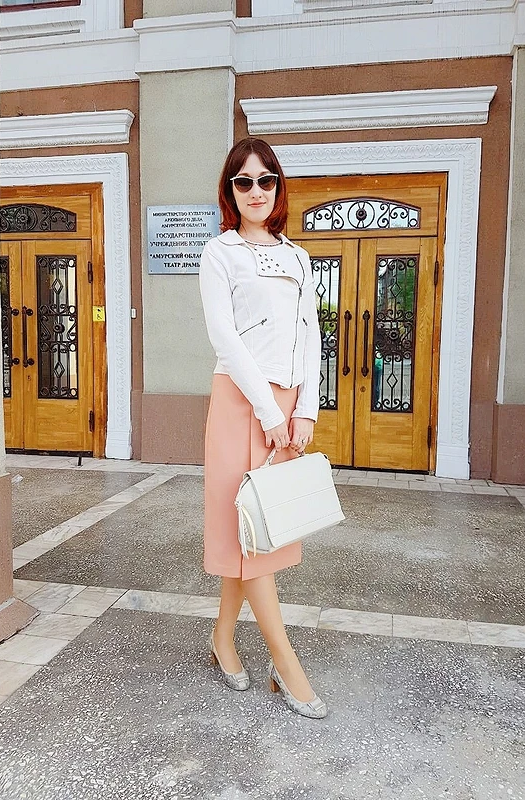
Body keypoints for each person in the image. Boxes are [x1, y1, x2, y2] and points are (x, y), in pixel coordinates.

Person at [198, 137, 326, 719]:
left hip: (288, 404)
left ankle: (223, 637)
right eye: (243, 181)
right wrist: (270, 413)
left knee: (259, 531)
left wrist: (304, 410)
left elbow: (310, 335)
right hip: (239, 403)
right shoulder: (219, 253)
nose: (256, 190)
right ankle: (285, 662)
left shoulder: (298, 257)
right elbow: (224, 338)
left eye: (266, 179)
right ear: (230, 191)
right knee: (245, 534)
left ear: (278, 186)